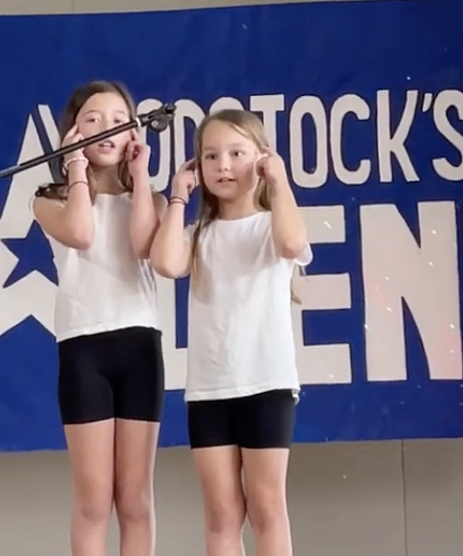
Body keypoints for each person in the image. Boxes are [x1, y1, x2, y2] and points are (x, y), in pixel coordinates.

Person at [149, 108, 311, 556]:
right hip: (210, 388)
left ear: (261, 158)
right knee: (221, 514)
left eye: (237, 153)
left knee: (266, 506)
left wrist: (279, 182)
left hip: (266, 383)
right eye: (211, 156)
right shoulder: (198, 233)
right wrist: (177, 198)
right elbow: (166, 263)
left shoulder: (271, 226)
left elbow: (293, 243)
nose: (223, 165)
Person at [31, 80, 168, 556]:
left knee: (135, 498)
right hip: (84, 348)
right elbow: (82, 232)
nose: (105, 129)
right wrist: (75, 166)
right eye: (92, 120)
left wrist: (141, 176)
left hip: (139, 345)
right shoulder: (48, 199)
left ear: (133, 132)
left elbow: (144, 245)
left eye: (117, 121)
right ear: (72, 132)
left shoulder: (149, 199)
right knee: (93, 500)